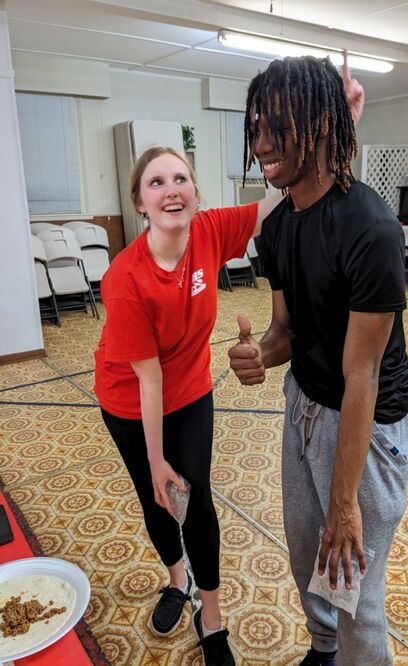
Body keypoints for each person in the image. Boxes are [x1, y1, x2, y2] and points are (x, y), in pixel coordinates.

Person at [228, 53, 408, 666]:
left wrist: (345, 503)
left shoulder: (372, 229)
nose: (261, 145)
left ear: (321, 126)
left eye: (277, 128)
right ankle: (323, 647)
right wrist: (261, 353)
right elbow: (287, 328)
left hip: (368, 420)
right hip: (306, 404)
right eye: (256, 128)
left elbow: (362, 373)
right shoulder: (277, 228)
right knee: (307, 551)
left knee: (353, 579)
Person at [94, 146, 282, 665]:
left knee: (195, 500)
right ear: (140, 202)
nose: (171, 190)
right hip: (130, 399)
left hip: (192, 388)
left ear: (196, 194)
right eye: (156, 182)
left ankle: (211, 619)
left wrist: (336, 129)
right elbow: (148, 379)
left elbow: (279, 199)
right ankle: (178, 582)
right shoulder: (125, 280)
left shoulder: (210, 230)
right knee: (158, 496)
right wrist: (157, 461)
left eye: (180, 178)